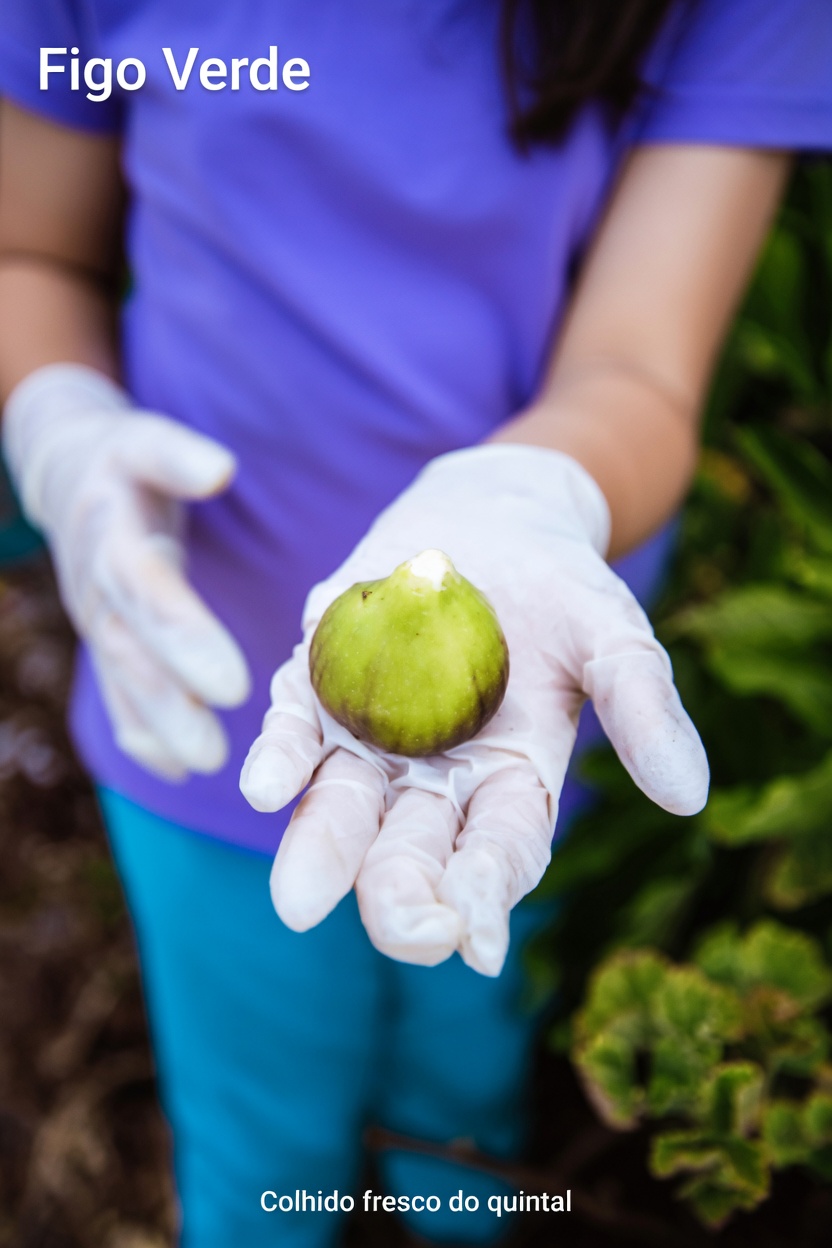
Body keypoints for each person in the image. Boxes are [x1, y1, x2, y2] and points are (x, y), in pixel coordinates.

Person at [0, 1, 829, 1244]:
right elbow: (31, 250)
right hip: (187, 686)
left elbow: (643, 369)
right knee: (254, 1150)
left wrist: (528, 491)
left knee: (469, 1104)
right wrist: (57, 419)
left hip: (528, 705)